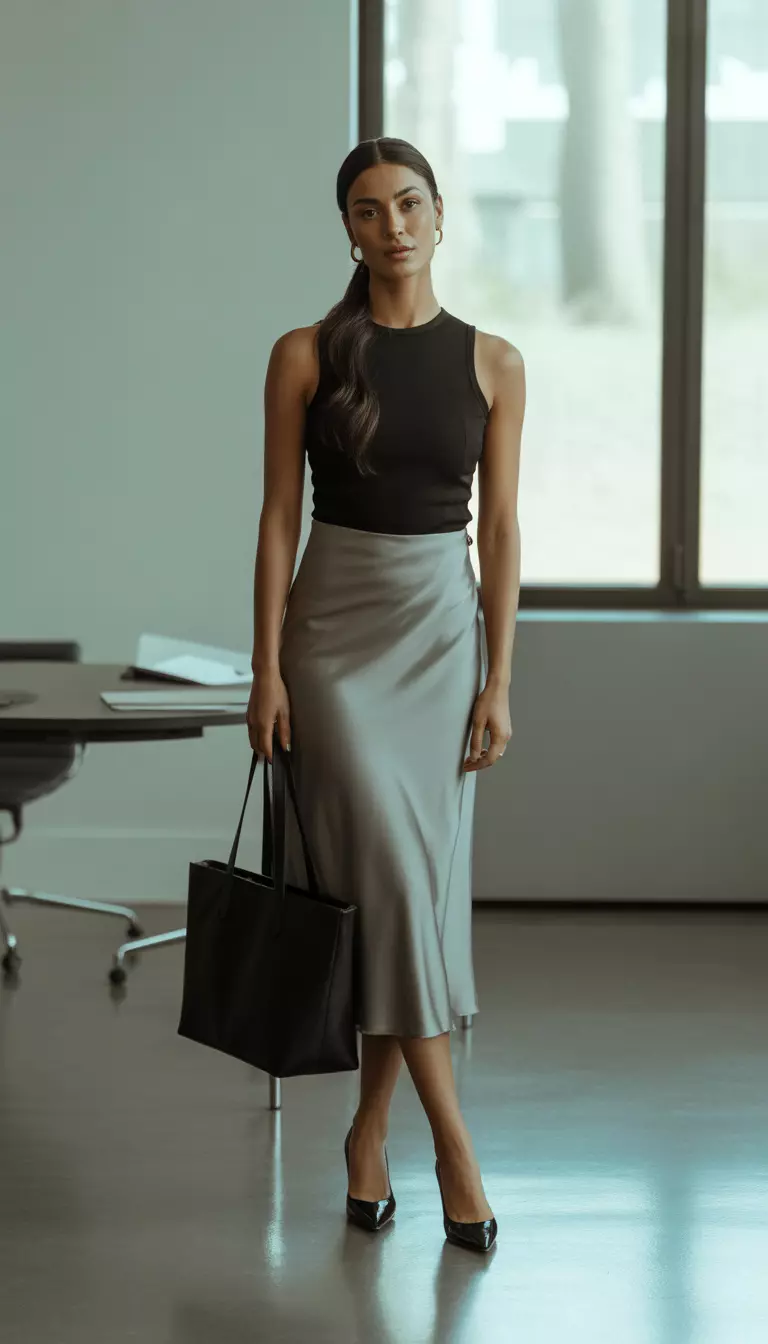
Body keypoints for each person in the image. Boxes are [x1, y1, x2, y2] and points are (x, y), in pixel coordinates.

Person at [247, 137, 524, 1253]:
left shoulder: (494, 361)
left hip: (441, 638)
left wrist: (500, 676)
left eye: (410, 204)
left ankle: (367, 1137)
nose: (393, 226)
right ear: (349, 230)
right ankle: (456, 1152)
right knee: (400, 891)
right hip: (332, 639)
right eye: (369, 210)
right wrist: (265, 666)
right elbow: (277, 517)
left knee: (397, 898)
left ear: (441, 214)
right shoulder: (305, 355)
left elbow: (500, 530)